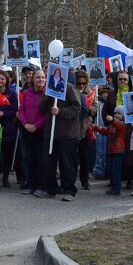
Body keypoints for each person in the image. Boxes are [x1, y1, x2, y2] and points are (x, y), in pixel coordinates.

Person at [38, 71, 84, 200]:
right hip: (50, 133)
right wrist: (47, 95)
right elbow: (41, 108)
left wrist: (61, 111)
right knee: (48, 163)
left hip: (66, 134)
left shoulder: (69, 88)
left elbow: (77, 107)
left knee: (66, 164)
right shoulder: (49, 88)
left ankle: (69, 190)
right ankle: (50, 189)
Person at [18, 69, 50, 197]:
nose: (40, 80)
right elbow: (21, 110)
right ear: (33, 79)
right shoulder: (27, 93)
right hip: (27, 130)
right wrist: (25, 124)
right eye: (38, 77)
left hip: (40, 131)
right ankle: (30, 184)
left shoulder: (47, 94)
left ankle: (41, 186)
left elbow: (47, 114)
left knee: (40, 160)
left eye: (42, 77)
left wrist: (35, 126)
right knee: (29, 159)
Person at [94, 106, 129, 196]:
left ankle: (116, 189)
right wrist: (96, 127)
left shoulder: (124, 124)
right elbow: (105, 131)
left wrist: (112, 119)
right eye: (115, 113)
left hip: (118, 150)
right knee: (111, 170)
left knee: (116, 170)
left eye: (119, 113)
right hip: (111, 150)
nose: (117, 115)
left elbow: (118, 125)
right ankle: (113, 187)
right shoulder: (112, 125)